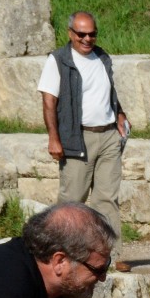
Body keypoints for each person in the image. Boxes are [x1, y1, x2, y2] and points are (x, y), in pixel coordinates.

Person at [38, 13, 128, 256]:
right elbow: (49, 101)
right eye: (81, 34)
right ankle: (59, 252)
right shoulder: (58, 60)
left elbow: (108, 92)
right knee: (72, 200)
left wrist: (119, 113)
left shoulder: (103, 57)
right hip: (78, 137)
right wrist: (53, 138)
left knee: (107, 199)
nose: (87, 39)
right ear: (70, 33)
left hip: (108, 135)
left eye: (92, 33)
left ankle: (111, 255)